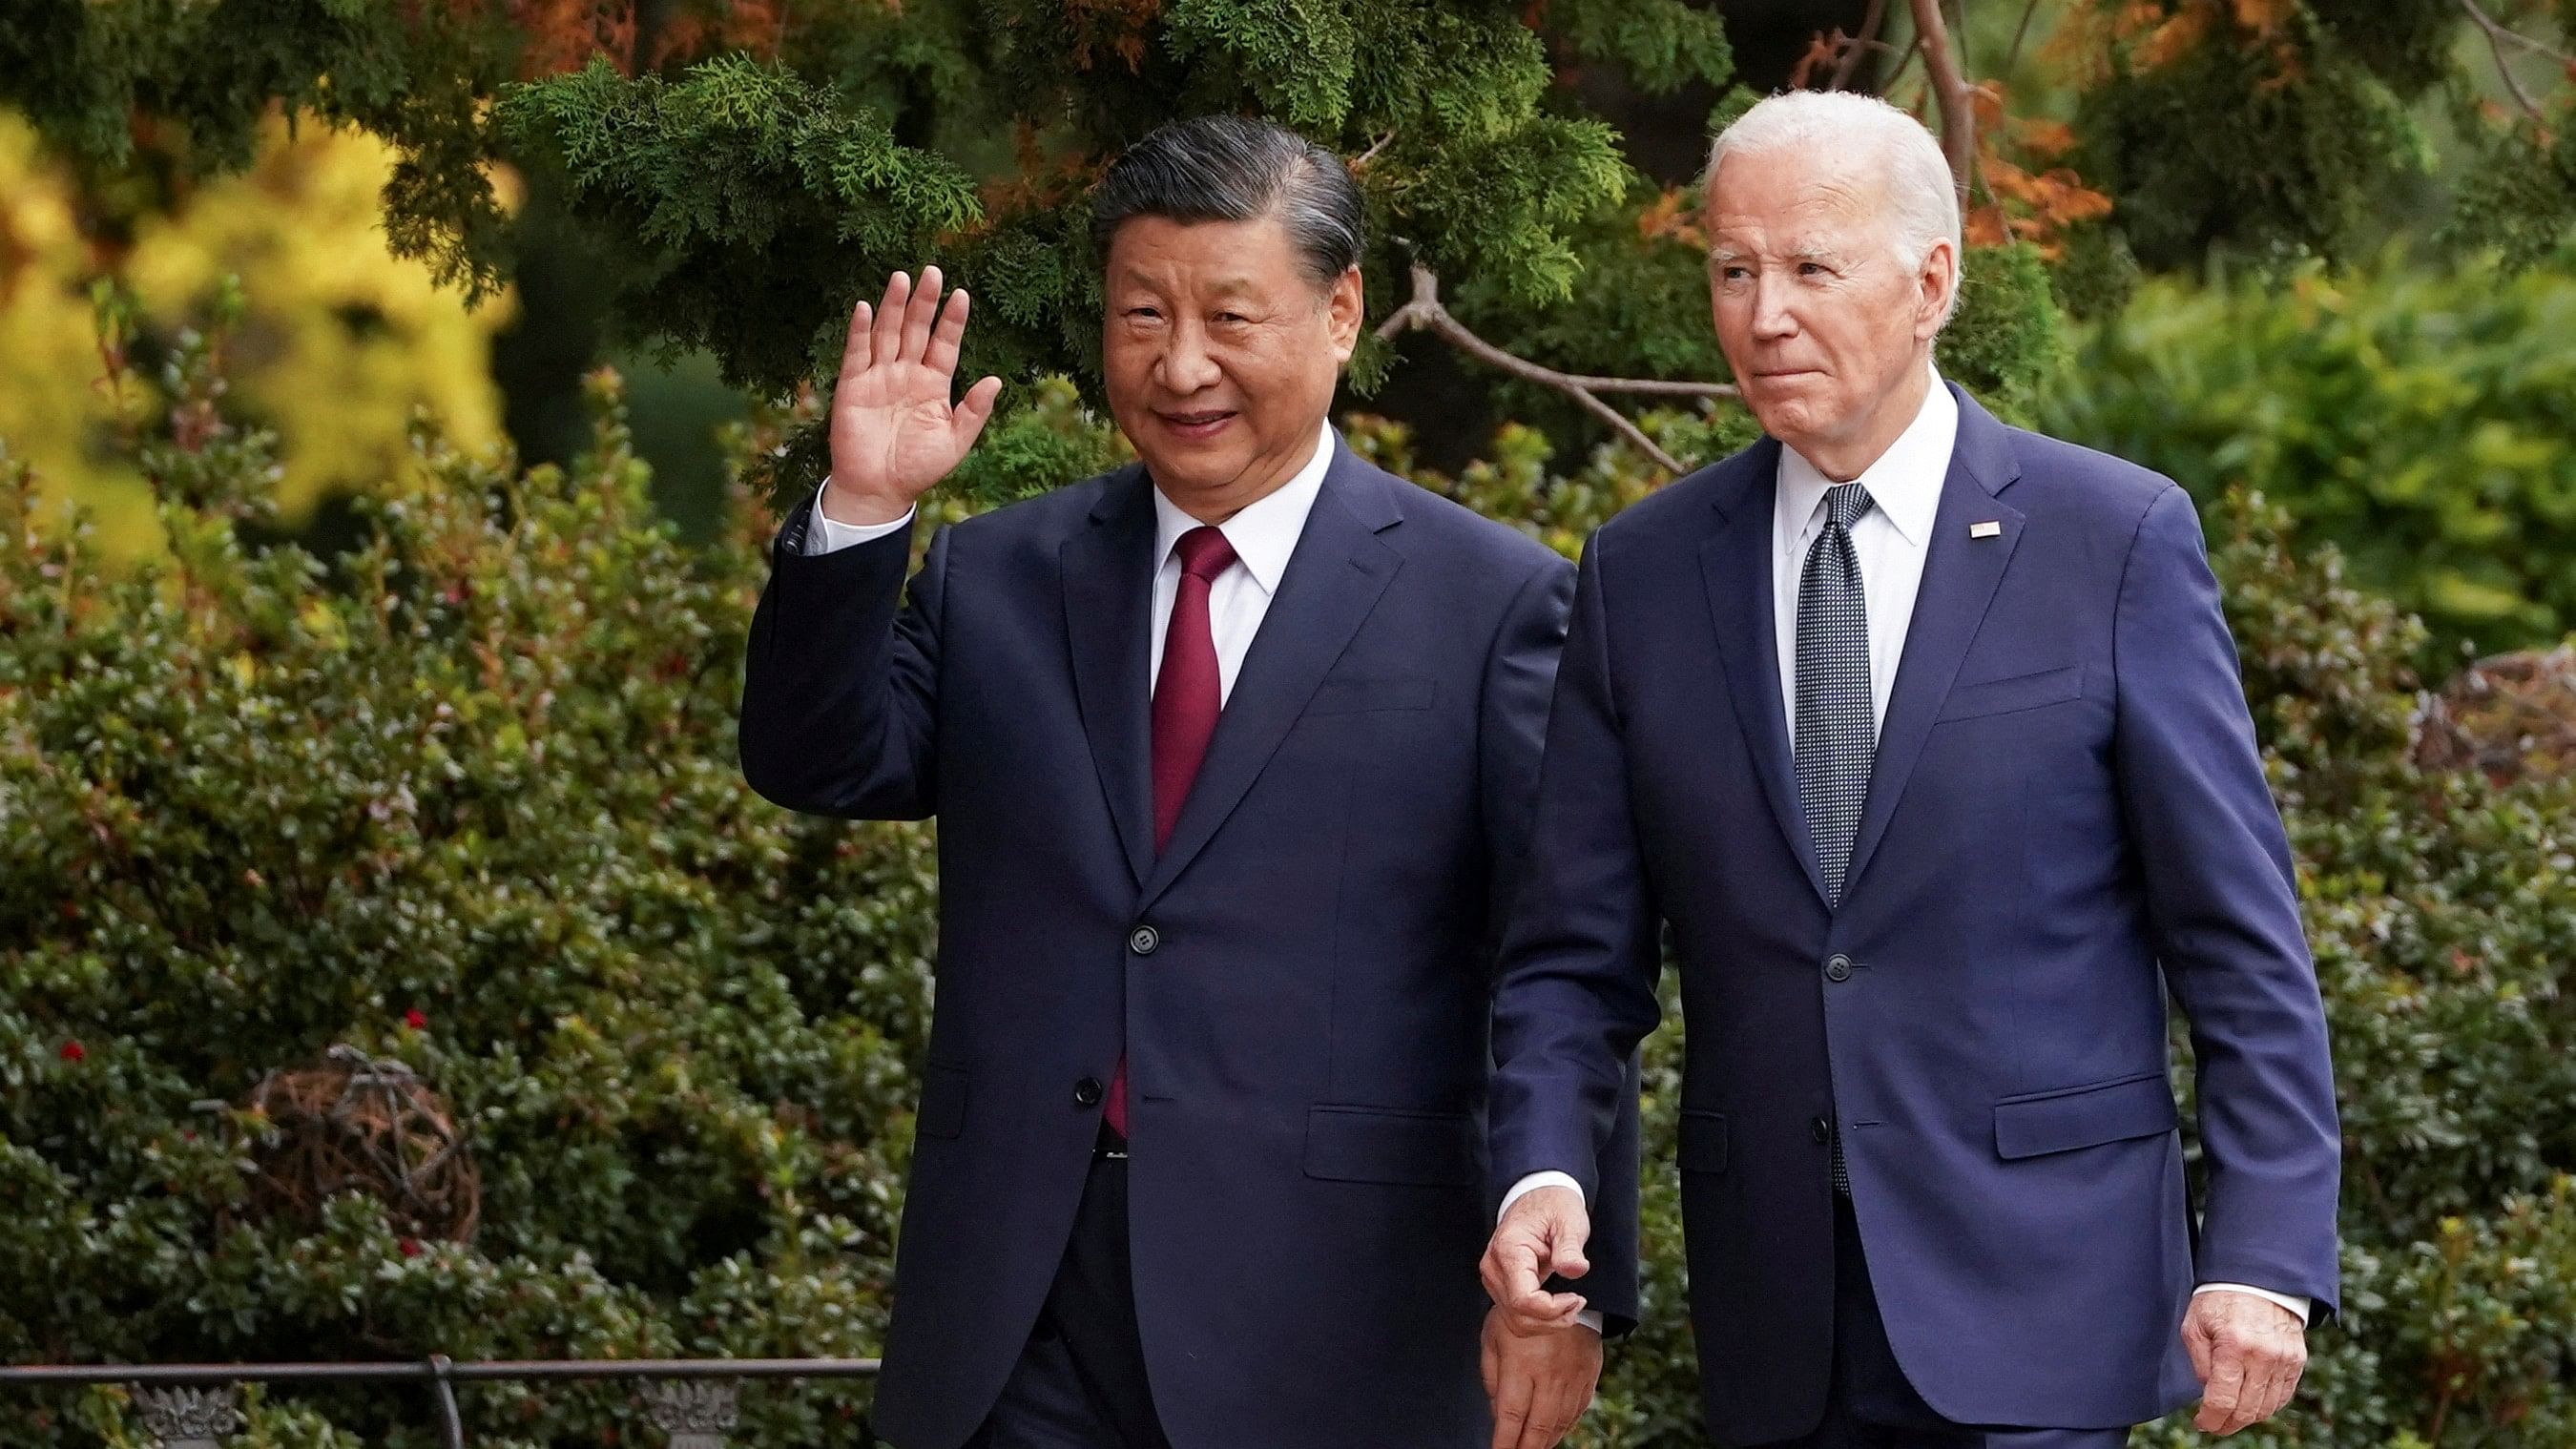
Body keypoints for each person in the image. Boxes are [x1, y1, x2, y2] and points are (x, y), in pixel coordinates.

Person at [739, 114, 1636, 1449]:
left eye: (1230, 315)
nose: (1180, 364)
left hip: (1334, 1320)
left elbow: (1562, 961)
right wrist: (864, 509)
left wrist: (1575, 1290)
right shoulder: (1004, 579)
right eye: (1140, 314)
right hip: (1019, 1306)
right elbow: (821, 756)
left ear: (1341, 314)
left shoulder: (1494, 607)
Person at [1479, 90, 2340, 1448]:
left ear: (1933, 280)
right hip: (1777, 1325)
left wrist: (2265, 1254)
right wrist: (1539, 1171)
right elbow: (1571, 962)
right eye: (1733, 269)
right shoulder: (1643, 574)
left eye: (1812, 268)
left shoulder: (2110, 540)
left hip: (2047, 1304)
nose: (1764, 314)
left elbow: (2239, 944)